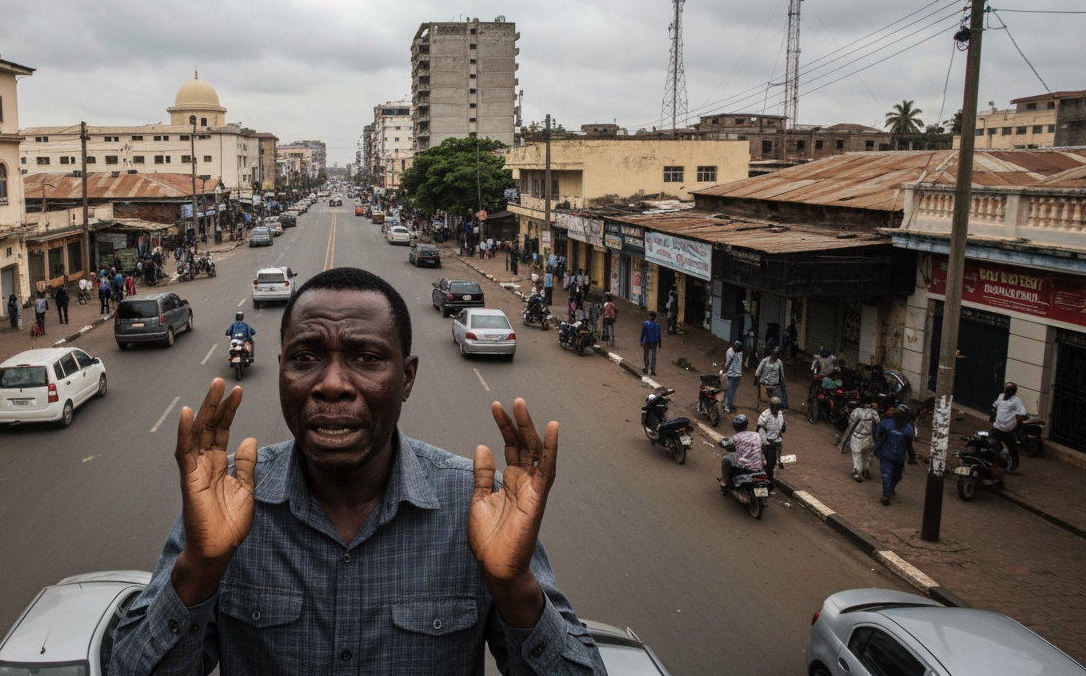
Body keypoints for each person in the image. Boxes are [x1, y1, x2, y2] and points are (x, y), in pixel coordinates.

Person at [109, 267, 604, 675]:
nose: (332, 385)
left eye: (366, 358)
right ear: (281, 371)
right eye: (305, 358)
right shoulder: (227, 501)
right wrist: (198, 570)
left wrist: (515, 587)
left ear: (406, 377)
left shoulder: (477, 509)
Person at [875, 408, 915, 505]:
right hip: (898, 457)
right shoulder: (908, 429)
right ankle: (889, 492)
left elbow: (878, 435)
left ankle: (887, 494)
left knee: (887, 475)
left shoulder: (886, 424)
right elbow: (909, 443)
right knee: (894, 475)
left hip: (887, 455)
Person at [719, 414, 763, 488]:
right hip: (758, 467)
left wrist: (721, 442)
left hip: (744, 468)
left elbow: (725, 444)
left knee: (726, 459)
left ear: (735, 427)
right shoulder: (756, 435)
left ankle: (725, 481)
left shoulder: (736, 437)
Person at [991, 382, 1028, 472]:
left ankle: (1013, 464)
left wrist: (1016, 414)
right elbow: (995, 405)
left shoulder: (1016, 401)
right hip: (997, 426)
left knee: (1011, 446)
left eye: (1010, 390)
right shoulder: (1000, 397)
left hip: (1007, 428)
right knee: (992, 444)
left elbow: (1022, 412)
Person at [841, 400, 879, 482]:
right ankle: (865, 468)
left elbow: (850, 422)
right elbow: (878, 423)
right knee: (868, 454)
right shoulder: (873, 412)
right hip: (869, 437)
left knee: (857, 455)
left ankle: (857, 472)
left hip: (857, 436)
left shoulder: (856, 411)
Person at [757, 397, 786, 480]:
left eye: (778, 408)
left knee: (774, 464)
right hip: (767, 443)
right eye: (775, 408)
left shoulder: (780, 415)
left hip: (777, 441)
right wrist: (766, 443)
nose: (776, 410)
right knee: (767, 465)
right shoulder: (765, 416)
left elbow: (781, 429)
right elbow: (761, 431)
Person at [721, 341, 744, 413]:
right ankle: (728, 407)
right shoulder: (731, 353)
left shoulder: (736, 351)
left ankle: (727, 404)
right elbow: (728, 363)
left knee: (730, 391)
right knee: (730, 391)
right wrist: (724, 372)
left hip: (736, 374)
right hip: (732, 374)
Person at [639, 311, 661, 376]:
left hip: (647, 342)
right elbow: (659, 335)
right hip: (654, 343)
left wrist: (641, 341)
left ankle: (646, 368)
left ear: (649, 317)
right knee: (653, 356)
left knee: (646, 355)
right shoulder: (657, 325)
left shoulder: (646, 324)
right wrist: (660, 343)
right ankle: (653, 370)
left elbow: (643, 333)